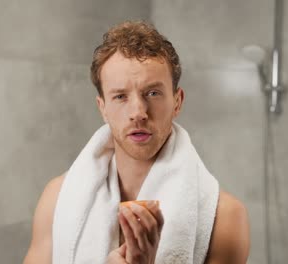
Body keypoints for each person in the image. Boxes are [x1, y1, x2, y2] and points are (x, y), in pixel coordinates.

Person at [23, 20, 250, 264]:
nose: (138, 112)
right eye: (120, 96)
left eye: (152, 93)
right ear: (103, 108)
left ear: (177, 101)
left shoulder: (225, 216)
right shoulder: (57, 199)